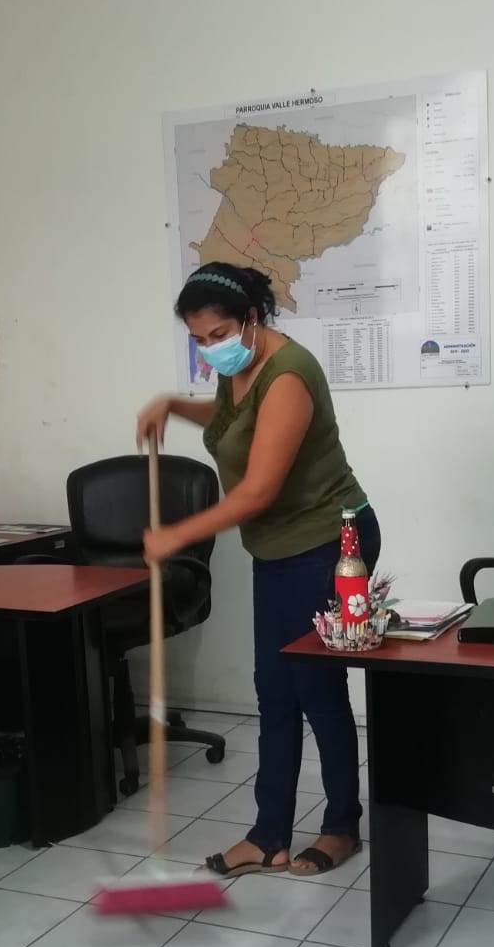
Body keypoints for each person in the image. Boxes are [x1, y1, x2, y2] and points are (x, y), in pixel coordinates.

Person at [136, 262, 378, 877]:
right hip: (275, 550)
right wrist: (174, 405)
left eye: (217, 334)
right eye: (198, 339)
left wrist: (177, 534)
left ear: (250, 318)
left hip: (329, 543)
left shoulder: (289, 374)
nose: (209, 348)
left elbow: (258, 491)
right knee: (273, 690)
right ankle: (269, 836)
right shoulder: (238, 365)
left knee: (316, 690)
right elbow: (233, 426)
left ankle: (342, 827)